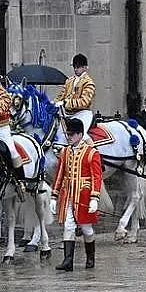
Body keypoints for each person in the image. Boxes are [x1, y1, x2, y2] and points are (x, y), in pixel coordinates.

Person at [51, 118, 102, 271]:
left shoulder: (91, 153)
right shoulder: (65, 151)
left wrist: (95, 198)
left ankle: (90, 256)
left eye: (72, 135)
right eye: (68, 134)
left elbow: (96, 177)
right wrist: (54, 196)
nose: (69, 137)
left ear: (80, 134)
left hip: (84, 196)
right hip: (68, 197)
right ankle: (68, 261)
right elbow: (60, 174)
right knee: (68, 226)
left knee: (86, 229)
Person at [56, 54, 95, 141]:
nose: (75, 69)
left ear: (85, 67)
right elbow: (61, 95)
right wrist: (54, 103)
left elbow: (85, 101)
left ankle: (92, 150)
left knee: (82, 135)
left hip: (82, 113)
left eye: (78, 67)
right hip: (67, 114)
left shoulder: (89, 82)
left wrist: (67, 103)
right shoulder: (69, 81)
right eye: (74, 67)